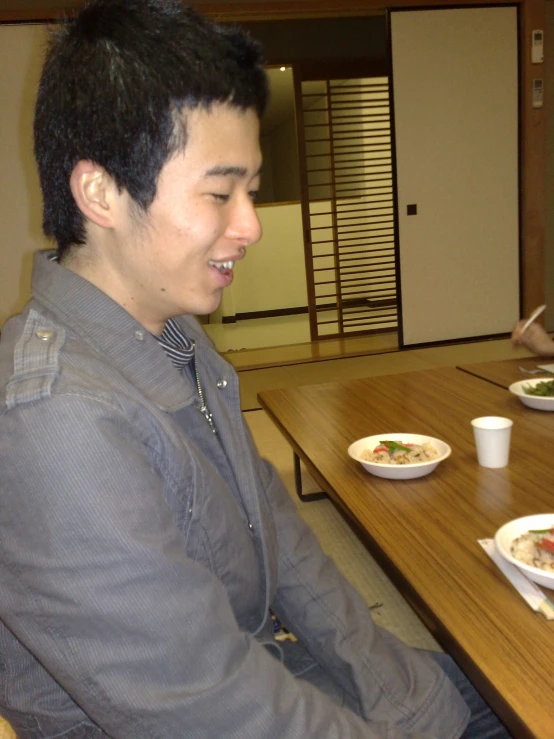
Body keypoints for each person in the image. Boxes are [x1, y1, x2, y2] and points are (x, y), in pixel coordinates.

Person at [0, 2, 511, 737]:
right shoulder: (56, 424)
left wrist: (394, 684)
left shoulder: (171, 332)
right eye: (219, 192)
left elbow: (277, 530)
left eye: (252, 187)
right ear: (101, 192)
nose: (251, 224)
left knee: (500, 686)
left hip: (264, 665)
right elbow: (207, 708)